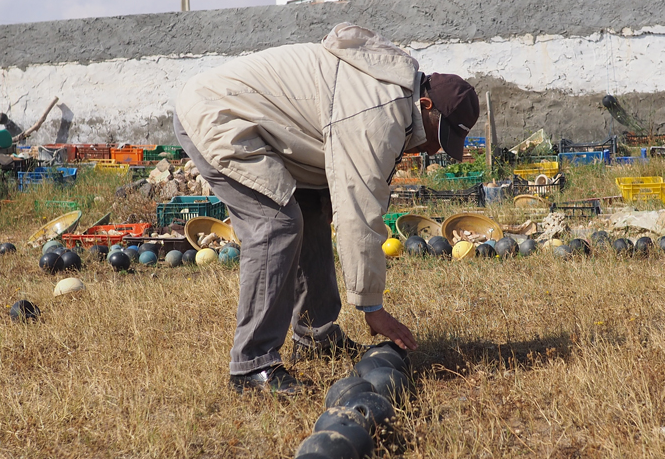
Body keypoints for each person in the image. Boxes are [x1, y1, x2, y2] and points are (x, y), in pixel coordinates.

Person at [174, 23, 479, 395]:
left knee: (314, 208)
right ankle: (251, 365)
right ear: (426, 106)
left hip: (254, 124)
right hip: (218, 115)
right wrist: (372, 308)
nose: (434, 149)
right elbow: (359, 213)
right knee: (276, 225)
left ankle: (315, 336)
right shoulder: (380, 113)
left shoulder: (389, 93)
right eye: (439, 136)